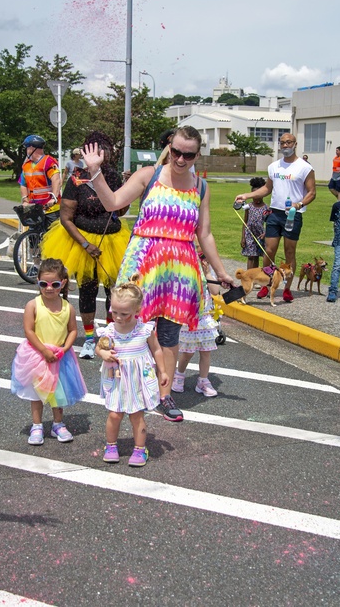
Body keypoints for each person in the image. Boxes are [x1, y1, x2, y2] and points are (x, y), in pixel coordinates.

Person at [82, 125, 235, 424]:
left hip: (180, 270)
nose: (180, 159)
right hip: (143, 264)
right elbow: (113, 203)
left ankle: (164, 396)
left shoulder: (201, 187)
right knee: (131, 327)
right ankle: (126, 385)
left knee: (169, 334)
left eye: (188, 155)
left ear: (197, 155)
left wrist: (220, 271)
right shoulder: (149, 175)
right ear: (169, 147)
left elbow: (204, 232)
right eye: (176, 151)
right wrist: (95, 173)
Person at [41, 131, 131, 360]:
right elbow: (66, 218)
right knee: (88, 290)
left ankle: (110, 337)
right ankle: (90, 339)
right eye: (96, 150)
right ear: (86, 153)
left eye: (105, 150)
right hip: (82, 242)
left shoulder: (112, 176)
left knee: (115, 292)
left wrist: (128, 190)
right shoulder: (75, 179)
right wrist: (85, 244)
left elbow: (120, 210)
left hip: (114, 240)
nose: (102, 155)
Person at [233, 133, 317, 304]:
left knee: (289, 252)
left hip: (293, 214)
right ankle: (266, 284)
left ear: (295, 144)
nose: (285, 145)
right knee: (269, 250)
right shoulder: (274, 167)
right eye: (283, 143)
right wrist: (247, 195)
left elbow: (312, 192)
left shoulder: (304, 167)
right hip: (274, 213)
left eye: (289, 143)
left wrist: (299, 204)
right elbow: (266, 189)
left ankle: (286, 289)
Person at [10, 258, 86, 445]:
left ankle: (57, 424)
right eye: (44, 284)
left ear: (63, 284)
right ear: (38, 282)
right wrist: (44, 350)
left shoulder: (68, 308)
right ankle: (37, 425)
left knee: (58, 392)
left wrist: (65, 348)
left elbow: (73, 330)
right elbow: (29, 330)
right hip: (37, 355)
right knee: (36, 393)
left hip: (60, 356)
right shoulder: (33, 305)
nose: (49, 288)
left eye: (55, 284)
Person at [96, 281, 165, 466]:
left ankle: (140, 449)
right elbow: (98, 348)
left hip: (138, 379)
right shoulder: (110, 330)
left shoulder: (144, 330)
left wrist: (163, 371)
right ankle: (110, 446)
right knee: (114, 415)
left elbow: (157, 350)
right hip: (117, 379)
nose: (118, 317)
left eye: (124, 313)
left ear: (137, 310)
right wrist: (104, 353)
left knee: (137, 415)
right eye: (114, 311)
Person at [174, 249, 222, 398]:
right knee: (187, 352)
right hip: (190, 317)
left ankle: (203, 381)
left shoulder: (208, 270)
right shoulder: (184, 268)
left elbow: (215, 291)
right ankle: (179, 375)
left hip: (205, 319)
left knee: (206, 352)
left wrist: (207, 272)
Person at [19, 134, 61, 214]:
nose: (26, 151)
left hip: (50, 208)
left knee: (51, 226)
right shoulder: (26, 165)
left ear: (31, 148)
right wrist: (25, 200)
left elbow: (56, 180)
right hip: (33, 207)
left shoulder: (49, 162)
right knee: (33, 227)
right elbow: (23, 184)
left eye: (27, 148)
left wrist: (54, 198)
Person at [240, 176, 269, 269]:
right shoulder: (249, 206)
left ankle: (255, 276)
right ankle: (248, 277)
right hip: (249, 234)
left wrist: (265, 233)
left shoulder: (266, 208)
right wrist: (243, 237)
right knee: (251, 256)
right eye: (254, 196)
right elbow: (244, 222)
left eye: (258, 196)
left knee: (257, 256)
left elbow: (269, 223)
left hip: (260, 236)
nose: (256, 198)